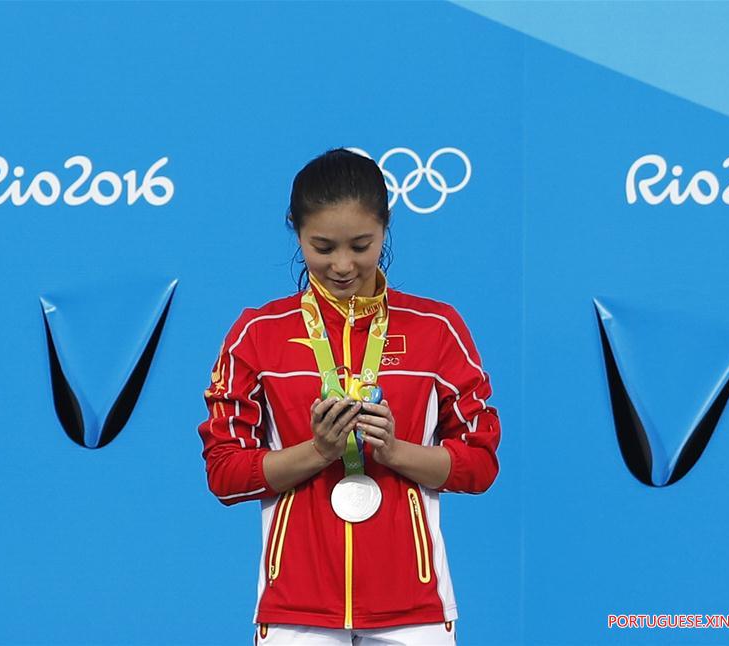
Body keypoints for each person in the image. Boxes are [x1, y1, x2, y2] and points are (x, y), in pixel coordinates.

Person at [197, 148, 501, 645]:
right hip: (296, 607)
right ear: (294, 230)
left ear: (386, 227)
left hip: (414, 609)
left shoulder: (437, 329)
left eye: (362, 244)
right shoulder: (257, 333)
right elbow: (225, 475)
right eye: (322, 246)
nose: (342, 265)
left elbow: (480, 465)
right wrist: (319, 451)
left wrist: (395, 451)